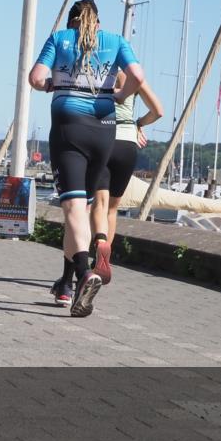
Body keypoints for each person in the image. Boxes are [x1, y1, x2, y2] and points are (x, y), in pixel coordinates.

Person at [29, 0, 144, 317]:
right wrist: (119, 95)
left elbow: (35, 78)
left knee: (72, 207)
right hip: (105, 129)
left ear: (72, 21)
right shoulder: (116, 41)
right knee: (82, 207)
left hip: (69, 129)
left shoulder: (59, 39)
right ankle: (66, 285)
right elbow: (138, 75)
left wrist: (51, 84)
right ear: (97, 21)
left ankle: (83, 274)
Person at [76, 71, 164, 292]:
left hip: (103, 141)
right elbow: (158, 112)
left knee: (99, 203)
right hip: (127, 144)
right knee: (113, 209)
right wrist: (139, 124)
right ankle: (104, 257)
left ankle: (99, 242)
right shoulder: (135, 80)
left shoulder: (98, 77)